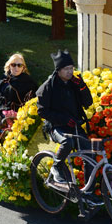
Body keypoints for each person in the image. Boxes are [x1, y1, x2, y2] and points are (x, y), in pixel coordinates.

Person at [36, 49, 93, 184]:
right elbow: (42, 112)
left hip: (76, 127)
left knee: (90, 156)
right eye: (66, 69)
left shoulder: (74, 83)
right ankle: (57, 167)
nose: (70, 71)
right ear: (58, 70)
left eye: (71, 68)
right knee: (67, 142)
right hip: (56, 127)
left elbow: (88, 103)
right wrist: (64, 119)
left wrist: (82, 87)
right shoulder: (48, 87)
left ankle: (89, 193)